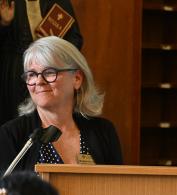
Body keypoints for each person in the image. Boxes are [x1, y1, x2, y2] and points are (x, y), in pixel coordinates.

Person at [0, 36, 122, 175]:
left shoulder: (103, 132)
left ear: (77, 79)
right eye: (32, 74)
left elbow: (118, 189)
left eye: (50, 72)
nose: (39, 81)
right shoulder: (10, 135)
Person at [0, 0, 83, 126]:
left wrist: (54, 45)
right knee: (13, 120)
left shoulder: (60, 2)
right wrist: (4, 23)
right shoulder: (9, 3)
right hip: (14, 71)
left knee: (47, 120)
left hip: (50, 71)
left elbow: (75, 40)